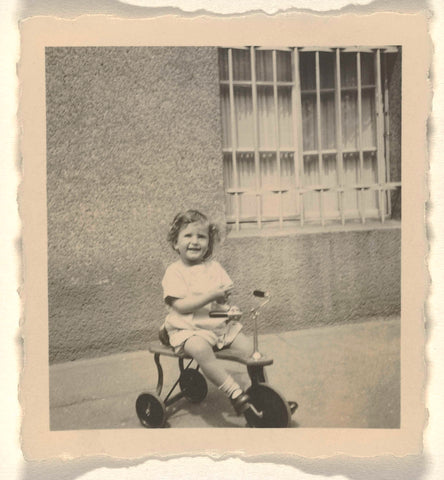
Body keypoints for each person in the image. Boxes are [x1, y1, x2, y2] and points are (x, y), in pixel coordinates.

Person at [159, 210, 253, 414]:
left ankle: (259, 390)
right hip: (188, 329)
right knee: (200, 349)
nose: (195, 241)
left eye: (201, 237)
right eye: (188, 236)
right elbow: (182, 306)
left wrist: (229, 310)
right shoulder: (174, 272)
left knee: (249, 348)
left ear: (208, 244)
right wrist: (212, 295)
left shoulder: (214, 268)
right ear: (176, 243)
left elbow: (219, 303)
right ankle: (235, 393)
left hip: (215, 325)